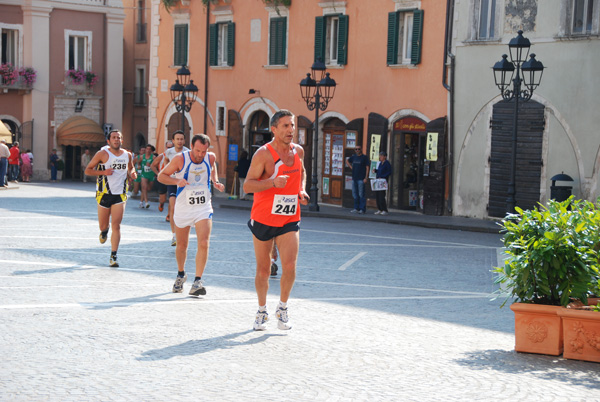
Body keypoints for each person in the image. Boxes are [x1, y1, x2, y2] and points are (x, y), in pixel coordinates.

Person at [243, 110, 309, 331]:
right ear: (274, 129)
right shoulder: (263, 154)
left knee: (289, 266)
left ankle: (282, 308)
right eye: (285, 126)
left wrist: (301, 190)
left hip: (289, 217)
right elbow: (248, 185)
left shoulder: (298, 151)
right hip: (263, 218)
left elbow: (303, 172)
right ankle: (262, 311)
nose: (291, 130)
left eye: (292, 125)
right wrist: (272, 183)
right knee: (263, 270)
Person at [157, 134, 225, 296]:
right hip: (183, 206)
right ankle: (181, 274)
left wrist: (215, 181)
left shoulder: (210, 158)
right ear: (192, 147)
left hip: (203, 206)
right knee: (182, 245)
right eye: (198, 150)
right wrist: (176, 181)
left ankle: (197, 281)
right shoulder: (180, 159)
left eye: (204, 151)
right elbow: (161, 176)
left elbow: (212, 168)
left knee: (203, 242)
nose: (201, 154)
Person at [84, 130, 136, 268]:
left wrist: (132, 173)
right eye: (114, 137)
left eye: (119, 137)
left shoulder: (127, 155)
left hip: (120, 194)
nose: (116, 139)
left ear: (122, 140)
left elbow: (131, 168)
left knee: (117, 225)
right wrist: (103, 172)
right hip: (104, 193)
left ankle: (113, 255)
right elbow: (88, 170)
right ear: (109, 141)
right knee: (103, 225)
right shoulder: (102, 154)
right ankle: (104, 231)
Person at [163, 131, 190, 246]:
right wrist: (167, 173)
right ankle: (174, 235)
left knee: (185, 209)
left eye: (181, 139)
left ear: (184, 140)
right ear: (173, 141)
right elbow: (165, 164)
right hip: (173, 182)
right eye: (177, 139)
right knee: (173, 207)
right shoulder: (169, 152)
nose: (179, 141)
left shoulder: (188, 152)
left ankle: (183, 234)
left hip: (184, 183)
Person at [151, 139, 174, 218]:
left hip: (172, 179)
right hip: (163, 179)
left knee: (172, 198)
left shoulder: (178, 156)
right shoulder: (162, 155)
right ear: (165, 147)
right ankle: (161, 203)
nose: (169, 149)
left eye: (171, 147)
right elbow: (152, 166)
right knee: (163, 199)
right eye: (168, 147)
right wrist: (158, 174)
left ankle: (169, 215)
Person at [345, 145, 370, 214]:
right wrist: (350, 166)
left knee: (361, 194)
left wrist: (366, 177)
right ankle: (356, 208)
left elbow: (367, 167)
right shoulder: (353, 157)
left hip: (361, 178)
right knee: (355, 194)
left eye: (358, 149)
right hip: (354, 178)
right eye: (356, 149)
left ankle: (362, 209)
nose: (357, 150)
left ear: (361, 149)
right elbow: (347, 160)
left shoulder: (364, 157)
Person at [373, 151, 391, 215]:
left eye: (381, 156)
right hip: (378, 181)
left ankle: (384, 209)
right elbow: (379, 171)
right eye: (380, 155)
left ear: (385, 157)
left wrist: (383, 177)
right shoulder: (380, 163)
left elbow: (389, 172)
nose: (380, 157)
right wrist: (376, 171)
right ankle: (379, 209)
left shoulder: (387, 163)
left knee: (381, 196)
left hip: (383, 181)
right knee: (377, 195)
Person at [140, 144, 156, 209]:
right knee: (145, 187)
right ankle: (146, 202)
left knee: (148, 189)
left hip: (151, 174)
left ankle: (141, 202)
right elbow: (137, 162)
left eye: (149, 149)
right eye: (147, 149)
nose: (148, 150)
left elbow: (156, 165)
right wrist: (138, 166)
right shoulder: (141, 157)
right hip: (144, 174)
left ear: (151, 151)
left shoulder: (153, 157)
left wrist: (151, 165)